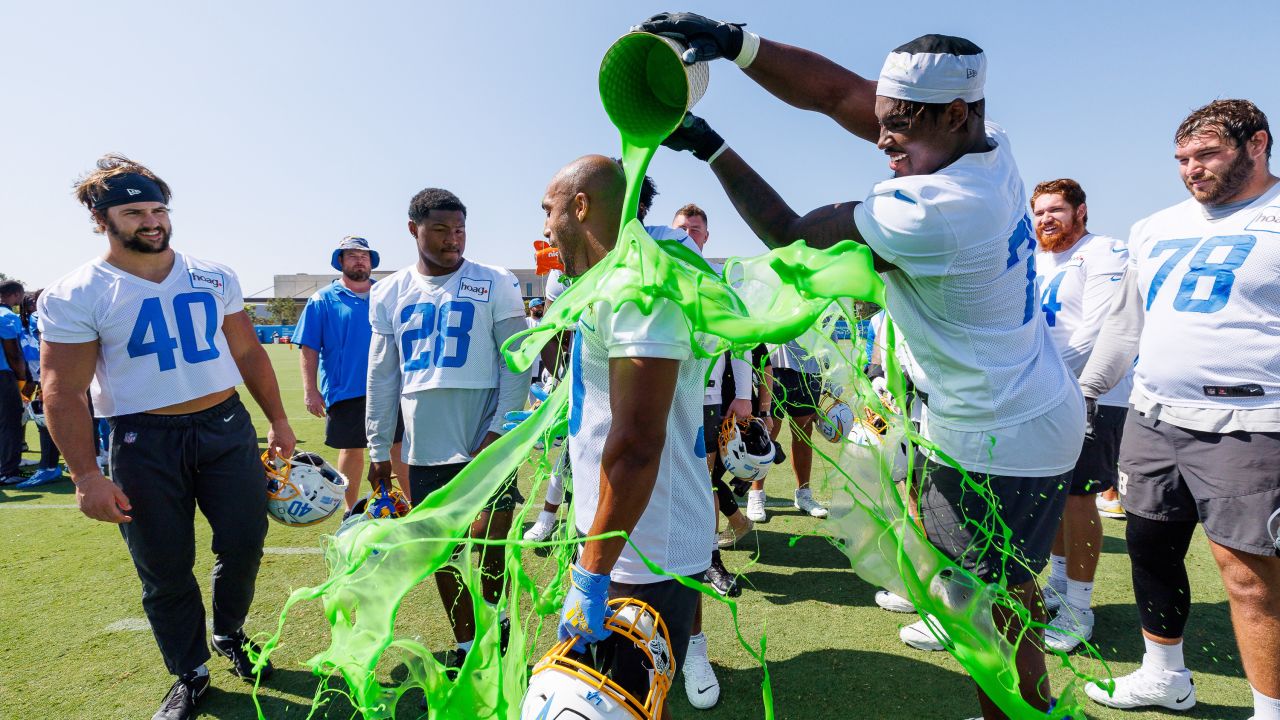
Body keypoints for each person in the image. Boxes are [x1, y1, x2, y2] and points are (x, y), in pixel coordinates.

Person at [638, 17, 1083, 717]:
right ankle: (1020, 705)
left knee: (979, 611)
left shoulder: (937, 209)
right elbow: (842, 95)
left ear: (956, 113)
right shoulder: (991, 150)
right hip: (1026, 406)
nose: (880, 139)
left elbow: (792, 236)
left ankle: (1015, 710)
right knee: (1004, 593)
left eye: (898, 126)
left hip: (993, 430)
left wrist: (713, 147)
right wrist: (736, 42)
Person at [38, 154, 296, 720]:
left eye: (158, 209)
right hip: (142, 440)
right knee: (164, 565)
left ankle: (229, 633)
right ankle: (190, 671)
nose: (152, 221)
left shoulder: (214, 274)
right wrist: (85, 475)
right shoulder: (77, 292)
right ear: (100, 217)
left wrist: (277, 419)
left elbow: (247, 352)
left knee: (245, 543)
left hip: (225, 427)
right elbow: (62, 390)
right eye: (134, 212)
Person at [1078, 99, 1280, 720]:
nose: (1192, 170)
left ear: (1258, 145)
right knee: (1149, 546)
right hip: (1153, 416)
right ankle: (1164, 674)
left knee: (1248, 578)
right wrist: (1085, 392)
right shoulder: (1155, 226)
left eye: (1208, 155)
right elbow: (1124, 327)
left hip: (1251, 425)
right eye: (1182, 159)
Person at [542, 155, 713, 720]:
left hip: (644, 545)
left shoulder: (643, 282)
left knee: (618, 708)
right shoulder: (617, 273)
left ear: (581, 206)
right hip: (623, 531)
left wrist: (593, 570)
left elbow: (639, 441)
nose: (546, 227)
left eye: (550, 211)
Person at [365, 187, 528, 671]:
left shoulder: (494, 280)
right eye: (440, 229)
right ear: (413, 229)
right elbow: (382, 374)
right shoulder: (388, 290)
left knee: (492, 541)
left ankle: (496, 617)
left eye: (458, 229)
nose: (452, 239)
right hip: (425, 443)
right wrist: (377, 446)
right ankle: (463, 644)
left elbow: (516, 362)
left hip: (486, 438)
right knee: (445, 553)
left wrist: (501, 433)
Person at [1031, 178, 1131, 653]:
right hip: (1043, 391)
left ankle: (1080, 607)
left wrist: (1037, 380)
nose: (1045, 219)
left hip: (1092, 393)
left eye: (1055, 210)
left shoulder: (1105, 251)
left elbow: (1095, 331)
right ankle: (1060, 585)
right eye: (1038, 212)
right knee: (1050, 495)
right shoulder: (1032, 259)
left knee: (1077, 498)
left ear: (1081, 211)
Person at [294, 235, 407, 510]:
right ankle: (351, 511)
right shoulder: (321, 300)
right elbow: (308, 347)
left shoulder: (388, 295)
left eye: (365, 255)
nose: (360, 260)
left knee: (398, 447)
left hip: (392, 386)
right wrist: (311, 391)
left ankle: (416, 506)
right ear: (341, 261)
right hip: (346, 388)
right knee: (352, 449)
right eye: (353, 255)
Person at [15, 290, 65, 487]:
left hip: (49, 378)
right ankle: (48, 465)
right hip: (38, 379)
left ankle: (49, 467)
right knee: (37, 419)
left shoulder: (46, 319)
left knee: (46, 420)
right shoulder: (34, 321)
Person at [0, 280, 27, 486]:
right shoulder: (7, 316)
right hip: (3, 375)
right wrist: (22, 378)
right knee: (10, 423)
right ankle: (8, 471)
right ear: (16, 295)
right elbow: (14, 353)